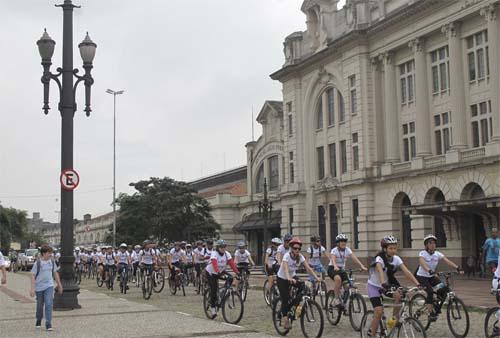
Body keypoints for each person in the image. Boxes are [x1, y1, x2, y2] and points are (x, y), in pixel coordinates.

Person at [366, 236, 420, 338]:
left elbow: (407, 272)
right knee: (378, 311)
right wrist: (383, 283)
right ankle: (372, 335)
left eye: (395, 248)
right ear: (385, 249)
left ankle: (393, 321)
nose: (393, 250)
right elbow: (380, 271)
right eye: (391, 248)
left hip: (386, 285)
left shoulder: (396, 259)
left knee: (399, 296)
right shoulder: (379, 259)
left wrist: (418, 284)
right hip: (374, 287)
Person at [416, 234, 463, 321]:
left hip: (432, 277)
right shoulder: (423, 253)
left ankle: (435, 304)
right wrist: (429, 270)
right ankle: (430, 313)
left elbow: (447, 261)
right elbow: (422, 262)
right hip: (422, 277)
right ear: (426, 245)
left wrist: (457, 267)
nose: (433, 245)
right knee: (430, 291)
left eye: (434, 243)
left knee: (444, 289)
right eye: (430, 243)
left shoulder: (437, 254)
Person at [277, 237, 320, 329]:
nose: (297, 250)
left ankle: (293, 306)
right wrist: (288, 277)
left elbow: (308, 268)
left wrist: (317, 278)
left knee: (304, 288)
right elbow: (285, 268)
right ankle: (285, 320)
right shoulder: (287, 256)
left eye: (299, 248)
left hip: (292, 277)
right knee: (285, 299)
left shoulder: (300, 257)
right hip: (282, 278)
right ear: (291, 248)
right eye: (295, 248)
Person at [29, 245, 63, 331]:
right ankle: (39, 319)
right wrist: (32, 288)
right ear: (43, 253)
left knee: (48, 304)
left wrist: (59, 284)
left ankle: (48, 323)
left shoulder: (52, 261)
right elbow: (32, 275)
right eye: (49, 253)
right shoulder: (38, 263)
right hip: (39, 287)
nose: (51, 254)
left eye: (51, 253)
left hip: (49, 286)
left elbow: (55, 273)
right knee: (40, 305)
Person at [328, 234, 367, 305]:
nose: (344, 243)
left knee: (347, 286)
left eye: (345, 241)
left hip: (342, 270)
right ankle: (336, 299)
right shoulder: (334, 250)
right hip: (332, 268)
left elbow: (354, 258)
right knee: (338, 279)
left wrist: (362, 266)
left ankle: (343, 304)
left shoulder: (347, 250)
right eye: (341, 241)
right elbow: (333, 259)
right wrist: (335, 266)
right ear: (338, 243)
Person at [205, 239, 239, 318]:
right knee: (213, 289)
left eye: (224, 246)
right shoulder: (214, 253)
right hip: (211, 272)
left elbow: (232, 264)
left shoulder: (227, 254)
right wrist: (217, 272)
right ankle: (213, 309)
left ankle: (223, 291)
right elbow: (214, 263)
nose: (223, 248)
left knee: (230, 278)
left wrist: (237, 272)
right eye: (221, 247)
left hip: (221, 271)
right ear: (218, 247)